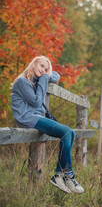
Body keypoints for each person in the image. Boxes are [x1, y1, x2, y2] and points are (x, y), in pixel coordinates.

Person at [11, 55, 84, 194]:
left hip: (35, 117)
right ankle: (68, 174)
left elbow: (56, 76)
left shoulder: (37, 80)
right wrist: (45, 78)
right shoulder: (22, 81)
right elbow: (37, 102)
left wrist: (46, 75)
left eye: (46, 69)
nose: (44, 70)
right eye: (41, 66)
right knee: (67, 132)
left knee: (71, 133)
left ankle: (58, 175)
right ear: (33, 64)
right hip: (26, 118)